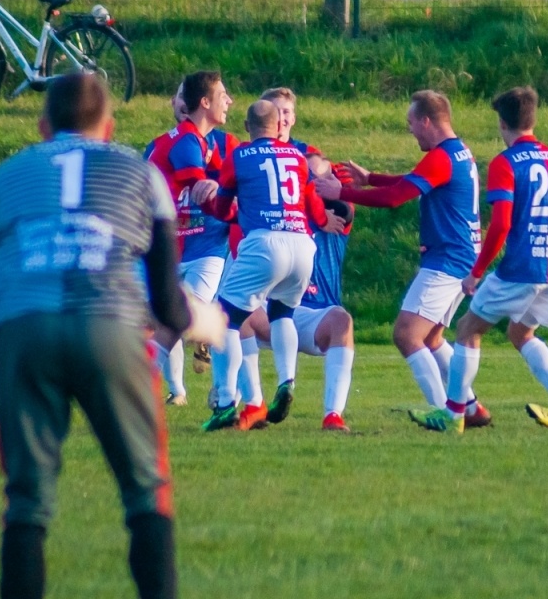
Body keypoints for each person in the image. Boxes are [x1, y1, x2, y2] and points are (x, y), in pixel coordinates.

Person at [0, 73, 222, 599]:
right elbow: (164, 297)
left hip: (21, 326)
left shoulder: (3, 178)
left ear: (42, 127)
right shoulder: (140, 174)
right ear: (109, 127)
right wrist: (202, 322)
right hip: (109, 322)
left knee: (27, 502)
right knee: (145, 490)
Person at [415, 87, 548, 434]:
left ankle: (454, 414)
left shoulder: (505, 162)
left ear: (502, 123)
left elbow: (502, 224)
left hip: (523, 268)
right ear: (533, 120)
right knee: (521, 332)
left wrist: (476, 273)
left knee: (467, 330)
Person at [314, 90, 484, 427]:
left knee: (406, 334)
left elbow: (396, 198)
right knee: (432, 338)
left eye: (410, 123)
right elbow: (412, 182)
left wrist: (342, 192)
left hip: (447, 258)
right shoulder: (457, 151)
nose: (410, 130)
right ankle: (472, 407)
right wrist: (371, 179)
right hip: (462, 255)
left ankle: (448, 413)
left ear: (426, 121)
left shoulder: (441, 156)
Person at [193, 100, 344, 431]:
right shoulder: (298, 159)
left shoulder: (238, 156)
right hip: (303, 245)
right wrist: (322, 220)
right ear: (279, 127)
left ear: (247, 128)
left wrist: (214, 206)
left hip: (264, 242)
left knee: (223, 320)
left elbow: (222, 207)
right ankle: (286, 381)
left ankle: (225, 402)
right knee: (282, 313)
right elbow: (313, 207)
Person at [244, 87, 358, 432]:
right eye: (275, 112)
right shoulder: (253, 166)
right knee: (239, 313)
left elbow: (340, 197)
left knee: (342, 321)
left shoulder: (313, 167)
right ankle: (251, 404)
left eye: (287, 113)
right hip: (270, 301)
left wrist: (324, 180)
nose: (282, 119)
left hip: (311, 308)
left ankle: (332, 415)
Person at [145, 71, 235, 407]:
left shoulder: (193, 139)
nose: (230, 100)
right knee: (187, 316)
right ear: (205, 102)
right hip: (162, 241)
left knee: (174, 316)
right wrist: (231, 201)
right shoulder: (186, 141)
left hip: (176, 242)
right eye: (223, 94)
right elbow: (202, 193)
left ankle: (152, 383)